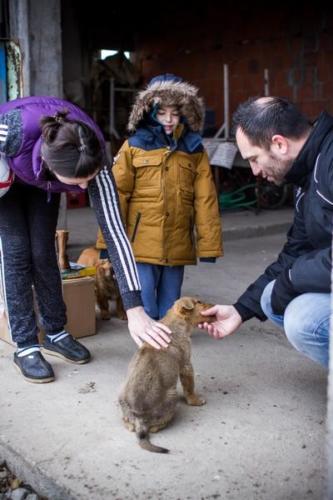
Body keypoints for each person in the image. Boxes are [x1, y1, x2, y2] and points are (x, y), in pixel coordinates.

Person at [0, 96, 171, 384]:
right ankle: (26, 344)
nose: (83, 188)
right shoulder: (12, 129)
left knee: (43, 250)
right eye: (78, 182)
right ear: (51, 164)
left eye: (88, 180)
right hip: (7, 175)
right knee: (17, 252)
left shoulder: (94, 155)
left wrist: (135, 307)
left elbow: (115, 231)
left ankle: (55, 332)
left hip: (45, 182)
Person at [200, 96, 332, 368]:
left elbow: (296, 269)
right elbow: (297, 250)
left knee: (303, 320)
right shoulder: (305, 177)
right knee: (269, 297)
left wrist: (293, 279)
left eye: (254, 159)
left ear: (279, 144)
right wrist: (240, 309)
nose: (255, 171)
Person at [96, 73, 223, 319]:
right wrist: (107, 243)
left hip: (178, 245)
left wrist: (209, 245)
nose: (169, 119)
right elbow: (117, 195)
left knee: (170, 312)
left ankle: (165, 352)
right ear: (149, 111)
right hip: (141, 244)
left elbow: (205, 199)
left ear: (184, 113)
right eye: (161, 112)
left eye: (175, 113)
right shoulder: (133, 145)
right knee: (145, 309)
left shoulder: (194, 149)